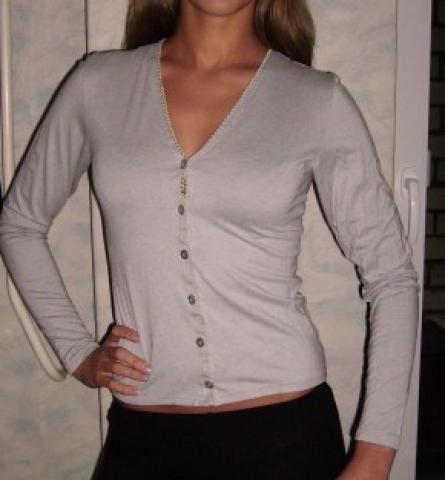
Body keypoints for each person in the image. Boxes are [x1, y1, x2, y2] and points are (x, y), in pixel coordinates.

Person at [0, 0, 420, 479]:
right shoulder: (98, 85)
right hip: (145, 438)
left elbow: (391, 276)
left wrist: (374, 457)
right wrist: (78, 353)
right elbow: (20, 223)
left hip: (286, 440)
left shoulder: (314, 99)